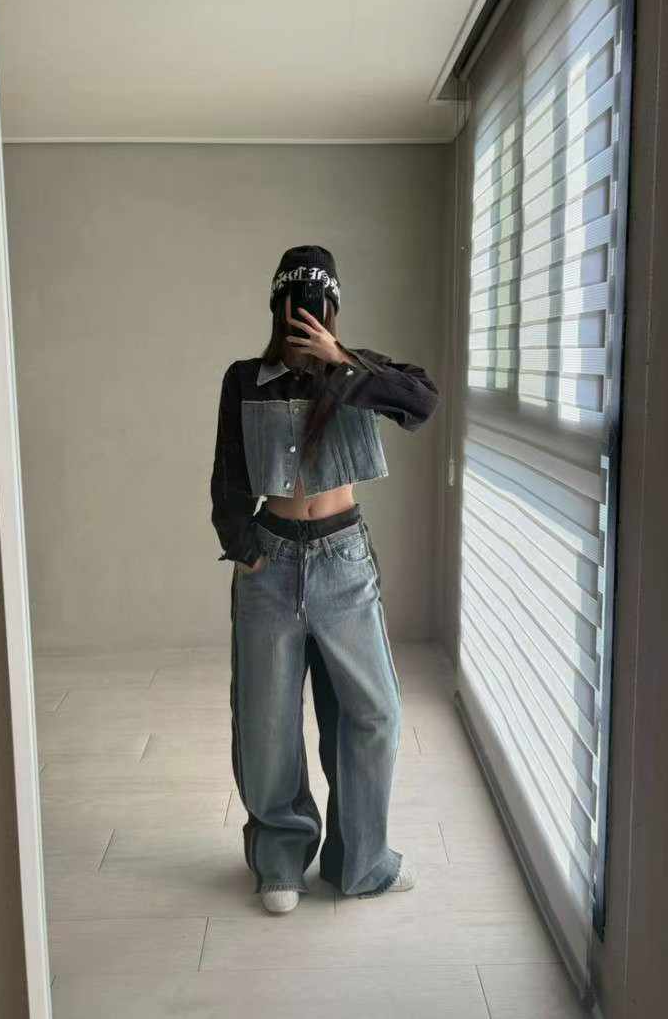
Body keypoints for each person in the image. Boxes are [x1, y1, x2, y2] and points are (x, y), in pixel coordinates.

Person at [210, 245, 440, 914]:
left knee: (374, 713)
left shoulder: (358, 370)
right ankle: (280, 861)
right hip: (271, 561)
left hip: (344, 560)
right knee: (267, 721)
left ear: (334, 308)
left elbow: (422, 402)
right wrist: (244, 548)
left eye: (317, 305)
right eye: (294, 305)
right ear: (276, 306)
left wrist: (342, 360)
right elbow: (227, 472)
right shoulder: (246, 378)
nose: (305, 317)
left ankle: (361, 863)